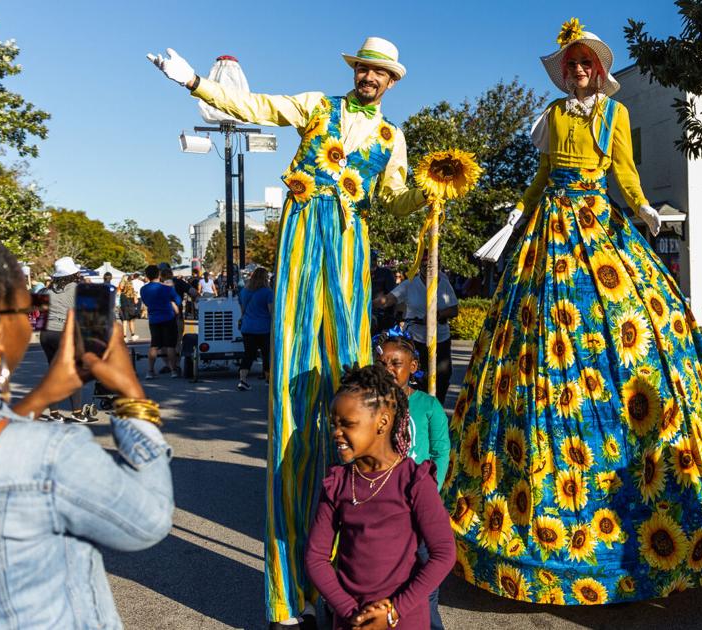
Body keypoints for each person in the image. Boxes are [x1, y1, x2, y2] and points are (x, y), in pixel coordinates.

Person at [444, 18, 702, 605]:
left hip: (600, 225)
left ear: (599, 71)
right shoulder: (552, 117)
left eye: (587, 65)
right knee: (538, 333)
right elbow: (542, 175)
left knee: (631, 326)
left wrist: (644, 209)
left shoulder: (615, 115)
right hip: (550, 229)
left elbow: (623, 170)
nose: (579, 72)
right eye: (572, 65)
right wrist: (513, 219)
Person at [150, 36, 427, 628]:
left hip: (351, 239)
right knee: (295, 392)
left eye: (381, 73)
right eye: (365, 70)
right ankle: (288, 593)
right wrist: (196, 83)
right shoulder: (316, 106)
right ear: (356, 72)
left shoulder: (390, 138)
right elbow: (256, 106)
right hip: (305, 231)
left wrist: (431, 194)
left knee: (349, 372)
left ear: (392, 82)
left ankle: (348, 577)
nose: (371, 79)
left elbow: (397, 200)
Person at [0, 155, 173, 627]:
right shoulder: (48, 454)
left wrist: (38, 399)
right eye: (28, 309)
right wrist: (131, 399)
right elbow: (146, 521)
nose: (34, 318)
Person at [305, 365, 455, 630]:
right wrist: (351, 612)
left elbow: (443, 553)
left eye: (347, 424)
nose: (335, 433)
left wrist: (395, 611)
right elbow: (316, 557)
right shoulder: (337, 482)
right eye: (333, 424)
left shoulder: (414, 481)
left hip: (405, 619)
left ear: (382, 422)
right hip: (351, 621)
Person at [373, 328, 450, 630]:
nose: (389, 370)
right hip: (387, 506)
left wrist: (430, 493)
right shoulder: (374, 405)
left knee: (426, 573)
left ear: (413, 367)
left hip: (421, 505)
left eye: (397, 364)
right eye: (384, 364)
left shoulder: (428, 407)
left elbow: (440, 451)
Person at [372, 251, 459, 403]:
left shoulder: (444, 283)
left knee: (443, 376)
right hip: (416, 338)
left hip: (440, 338)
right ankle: (414, 408)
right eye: (425, 266)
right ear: (420, 267)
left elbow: (454, 309)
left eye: (433, 266)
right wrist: (369, 303)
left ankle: (437, 407)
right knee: (417, 376)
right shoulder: (410, 284)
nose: (429, 269)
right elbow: (389, 299)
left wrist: (436, 315)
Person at [38, 256, 90, 421]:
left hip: (46, 333)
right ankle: (77, 412)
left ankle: (54, 413)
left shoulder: (47, 289)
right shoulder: (76, 288)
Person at [141, 264, 181, 379]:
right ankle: (173, 370)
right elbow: (178, 301)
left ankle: (150, 371)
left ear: (147, 276)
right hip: (168, 317)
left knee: (154, 345)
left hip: (154, 318)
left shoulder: (143, 289)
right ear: (158, 274)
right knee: (170, 345)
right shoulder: (167, 288)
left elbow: (146, 302)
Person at [239, 267, 274, 391]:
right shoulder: (268, 293)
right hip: (263, 328)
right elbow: (271, 312)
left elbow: (242, 311)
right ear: (265, 278)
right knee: (267, 354)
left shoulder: (244, 291)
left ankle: (242, 380)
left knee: (248, 354)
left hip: (247, 327)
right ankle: (268, 380)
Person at [119, 274, 140, 341]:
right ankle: (133, 335)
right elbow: (136, 301)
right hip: (131, 304)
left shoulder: (121, 289)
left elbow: (118, 294)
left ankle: (124, 337)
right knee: (131, 320)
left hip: (123, 304)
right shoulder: (132, 288)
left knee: (124, 320)